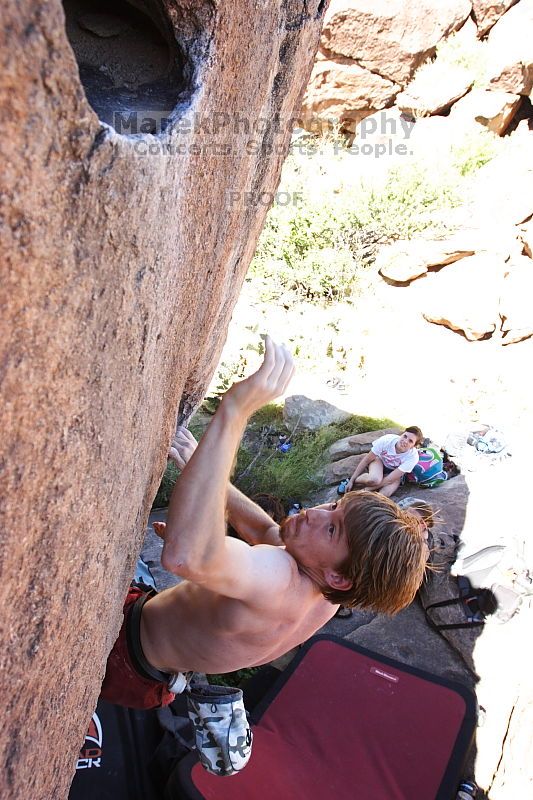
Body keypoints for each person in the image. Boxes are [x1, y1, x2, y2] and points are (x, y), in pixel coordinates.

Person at [101, 338, 429, 710]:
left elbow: (185, 556)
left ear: (339, 576)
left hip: (123, 652)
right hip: (154, 675)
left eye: (332, 529)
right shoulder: (326, 596)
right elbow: (267, 533)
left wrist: (235, 411)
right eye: (335, 506)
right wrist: (203, 468)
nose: (316, 513)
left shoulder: (279, 578)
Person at [346, 427, 423, 498]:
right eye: (405, 436)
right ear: (401, 434)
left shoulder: (412, 457)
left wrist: (365, 490)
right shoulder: (386, 440)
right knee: (374, 480)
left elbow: (389, 480)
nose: (405, 441)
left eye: (410, 441)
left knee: (384, 495)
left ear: (414, 446)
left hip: (394, 472)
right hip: (379, 461)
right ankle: (354, 481)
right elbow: (367, 460)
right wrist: (351, 480)